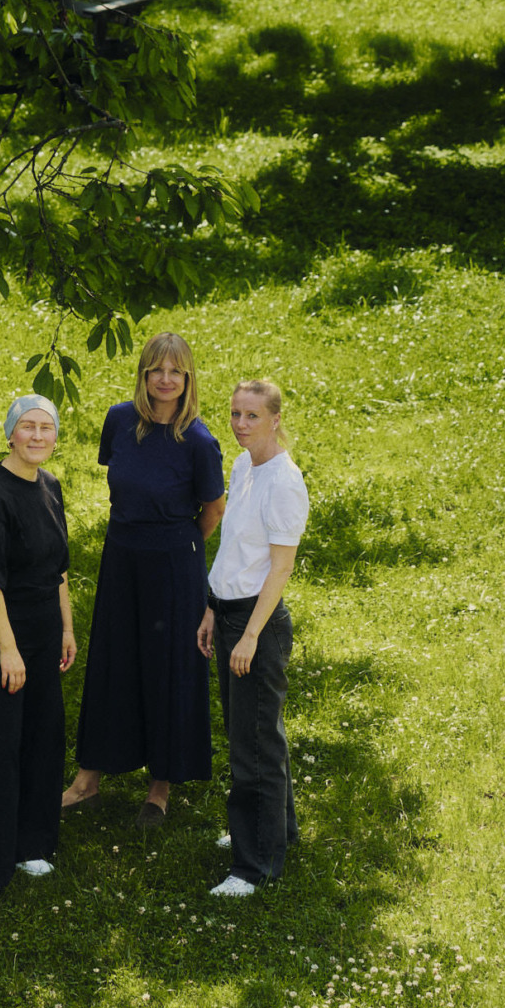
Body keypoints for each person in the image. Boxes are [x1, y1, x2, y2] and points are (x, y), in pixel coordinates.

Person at [65, 333, 226, 820]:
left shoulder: (199, 440)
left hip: (175, 562)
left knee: (169, 666)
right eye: (156, 369)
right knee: (113, 659)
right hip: (121, 555)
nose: (165, 380)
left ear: (187, 379)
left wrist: (177, 541)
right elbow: (122, 479)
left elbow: (213, 509)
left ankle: (160, 786)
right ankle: (89, 777)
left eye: (176, 371)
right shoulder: (119, 420)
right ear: (143, 373)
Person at [0, 396, 77, 912]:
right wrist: (9, 648)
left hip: (45, 634)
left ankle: (31, 844)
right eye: (27, 426)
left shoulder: (49, 486)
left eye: (46, 428)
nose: (37, 436)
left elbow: (59, 568)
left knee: (42, 742)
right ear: (9, 434)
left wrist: (66, 628)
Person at [197, 380, 308, 897]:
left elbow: (280, 568)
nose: (240, 423)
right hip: (229, 613)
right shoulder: (244, 466)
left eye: (251, 416)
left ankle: (254, 865)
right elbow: (231, 551)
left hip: (255, 623)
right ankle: (276, 829)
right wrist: (210, 611)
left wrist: (249, 637)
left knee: (254, 744)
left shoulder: (284, 482)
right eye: (235, 413)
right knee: (257, 731)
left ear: (275, 420)